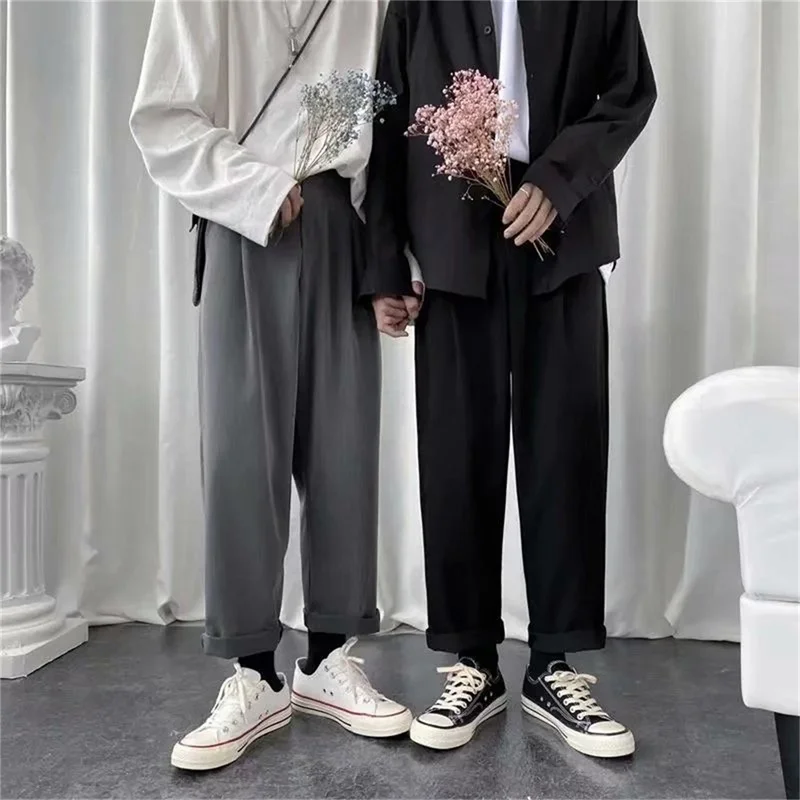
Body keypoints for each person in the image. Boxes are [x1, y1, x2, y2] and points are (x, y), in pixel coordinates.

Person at [363, 0, 656, 754]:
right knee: (456, 452)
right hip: (452, 239)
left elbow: (629, 89)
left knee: (565, 446)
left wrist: (559, 179)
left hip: (565, 230)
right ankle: (472, 661)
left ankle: (556, 663)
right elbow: (389, 117)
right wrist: (385, 263)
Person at [131, 0, 411, 771]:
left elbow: (386, 134)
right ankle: (253, 672)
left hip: (341, 224)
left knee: (345, 444)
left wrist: (391, 266)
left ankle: (328, 657)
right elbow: (162, 116)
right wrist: (252, 187)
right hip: (245, 223)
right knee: (240, 451)